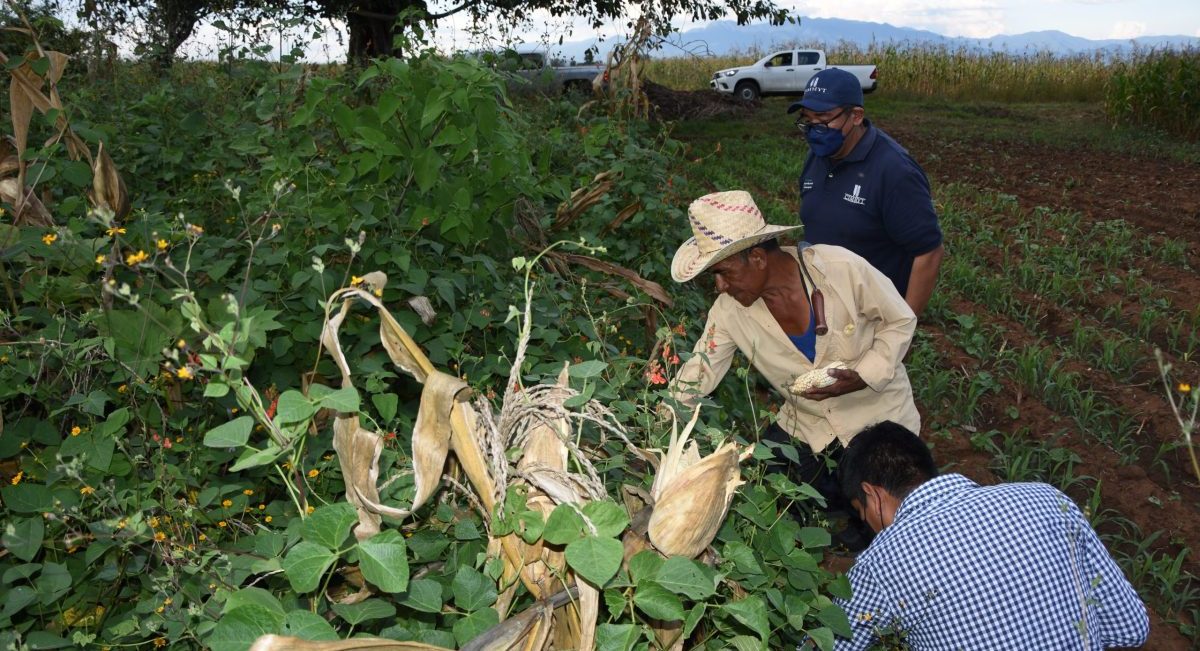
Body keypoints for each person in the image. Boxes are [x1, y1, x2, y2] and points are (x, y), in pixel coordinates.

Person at [668, 189, 920, 550]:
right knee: (762, 481)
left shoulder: (839, 271)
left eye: (723, 273)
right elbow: (699, 371)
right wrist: (661, 412)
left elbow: (900, 321)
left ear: (757, 258)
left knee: (891, 520)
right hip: (807, 419)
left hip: (877, 415)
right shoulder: (728, 312)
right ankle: (814, 547)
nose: (719, 286)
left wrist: (862, 374)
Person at [822, 420, 1149, 650]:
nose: (871, 529)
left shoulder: (882, 562)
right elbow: (1132, 627)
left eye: (863, 514)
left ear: (873, 494)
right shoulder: (1047, 499)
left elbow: (827, 645)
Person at [789, 68, 944, 317]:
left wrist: (903, 328)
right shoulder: (817, 157)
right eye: (807, 119)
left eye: (824, 118)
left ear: (856, 116)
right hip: (825, 304)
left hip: (872, 313)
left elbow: (929, 252)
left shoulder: (894, 170)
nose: (814, 128)